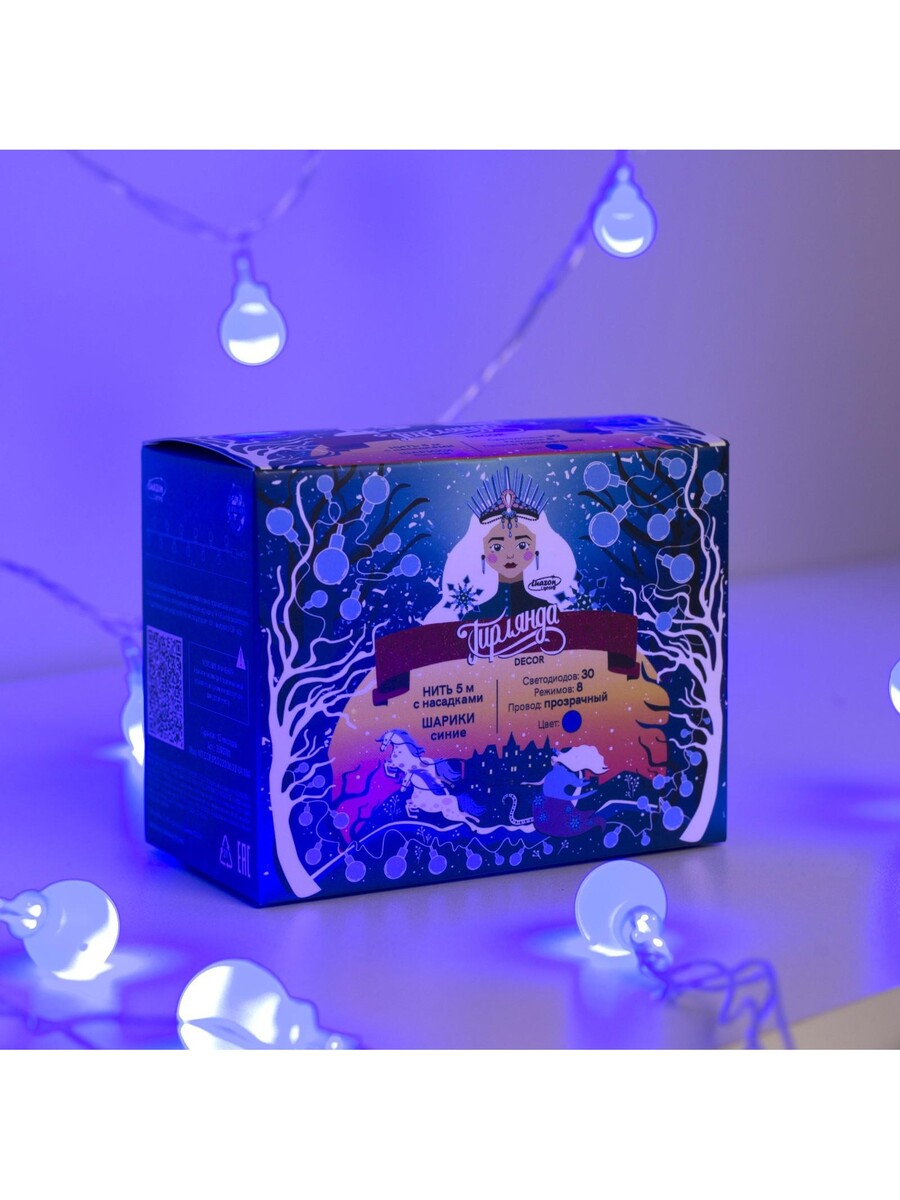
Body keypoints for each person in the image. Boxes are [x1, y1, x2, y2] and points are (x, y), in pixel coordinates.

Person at [425, 465, 577, 622]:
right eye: (497, 547)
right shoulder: (473, 618)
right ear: (483, 550)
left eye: (522, 545)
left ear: (536, 547)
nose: (510, 554)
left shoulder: (548, 613)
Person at [378, 730, 485, 826]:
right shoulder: (398, 753)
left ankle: (444, 794)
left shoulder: (422, 766)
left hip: (418, 778)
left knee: (432, 785)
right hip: (413, 777)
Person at [533, 745, 609, 837]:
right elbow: (541, 782)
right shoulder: (554, 772)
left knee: (569, 821)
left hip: (557, 804)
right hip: (548, 804)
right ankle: (590, 821)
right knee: (564, 820)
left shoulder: (564, 771)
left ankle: (592, 821)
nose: (552, 761)